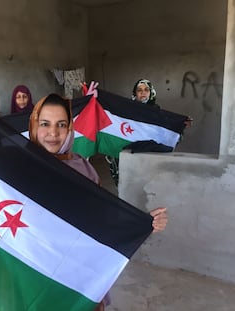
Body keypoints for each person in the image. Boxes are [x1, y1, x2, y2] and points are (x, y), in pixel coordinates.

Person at [29, 93, 168, 311]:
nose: (53, 133)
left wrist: (142, 222)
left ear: (70, 128)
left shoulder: (83, 169)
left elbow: (104, 218)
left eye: (61, 124)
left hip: (76, 274)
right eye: (45, 124)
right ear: (34, 126)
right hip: (31, 272)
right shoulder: (15, 166)